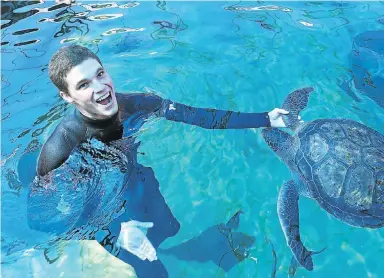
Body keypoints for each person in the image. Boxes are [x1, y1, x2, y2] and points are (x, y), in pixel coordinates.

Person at [28, 45, 294, 277]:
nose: (100, 88)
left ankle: (192, 252)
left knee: (168, 228)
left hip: (139, 179)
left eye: (100, 74)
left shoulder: (138, 104)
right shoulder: (60, 148)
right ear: (66, 96)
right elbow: (40, 217)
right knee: (153, 269)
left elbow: (202, 117)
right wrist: (116, 230)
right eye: (83, 85)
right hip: (106, 207)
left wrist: (267, 118)